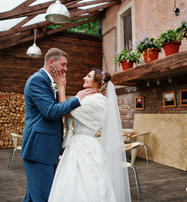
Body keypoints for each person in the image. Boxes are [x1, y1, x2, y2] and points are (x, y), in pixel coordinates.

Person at [21, 48, 94, 202]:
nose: (65, 68)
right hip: (39, 149)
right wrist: (77, 98)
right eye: (63, 64)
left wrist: (61, 86)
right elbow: (51, 112)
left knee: (34, 195)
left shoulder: (49, 81)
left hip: (47, 149)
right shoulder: (37, 80)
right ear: (51, 62)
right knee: (43, 196)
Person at [48, 68, 131, 202]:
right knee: (71, 182)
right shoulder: (88, 98)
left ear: (96, 83)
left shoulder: (98, 100)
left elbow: (65, 110)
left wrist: (61, 86)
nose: (84, 78)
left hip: (85, 145)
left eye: (88, 76)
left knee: (88, 182)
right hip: (77, 143)